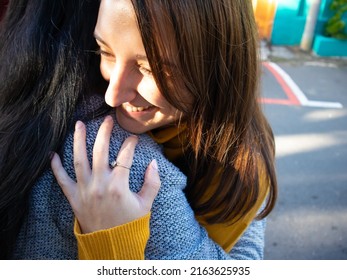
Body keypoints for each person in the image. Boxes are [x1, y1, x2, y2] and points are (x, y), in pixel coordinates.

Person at [0, 0, 277, 260]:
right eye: (104, 51)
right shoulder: (104, 140)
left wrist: (114, 244)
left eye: (149, 67)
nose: (113, 95)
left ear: (218, 67)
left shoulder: (243, 169)